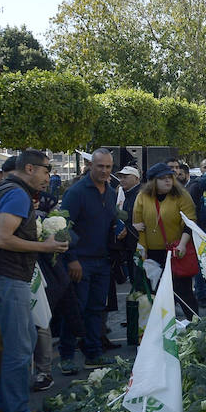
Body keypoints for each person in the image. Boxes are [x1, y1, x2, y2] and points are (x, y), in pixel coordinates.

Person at [0, 149, 66, 412]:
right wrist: (46, 247)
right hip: (8, 277)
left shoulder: (6, 189)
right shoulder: (17, 194)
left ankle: (9, 407)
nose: (48, 177)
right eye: (45, 170)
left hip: (4, 276)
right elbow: (2, 238)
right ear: (29, 168)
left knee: (24, 340)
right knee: (19, 349)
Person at [60, 150, 123, 374]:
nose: (104, 171)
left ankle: (93, 354)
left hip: (102, 261)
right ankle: (66, 357)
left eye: (108, 167)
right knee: (75, 310)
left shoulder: (111, 193)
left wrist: (119, 229)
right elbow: (62, 226)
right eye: (100, 166)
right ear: (90, 166)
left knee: (96, 309)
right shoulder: (76, 192)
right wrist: (72, 259)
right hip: (81, 262)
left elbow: (109, 222)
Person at [132, 162, 198, 315]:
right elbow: (138, 224)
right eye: (162, 178)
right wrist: (142, 251)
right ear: (153, 181)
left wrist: (182, 244)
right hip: (152, 253)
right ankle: (157, 329)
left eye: (170, 177)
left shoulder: (181, 195)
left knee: (183, 292)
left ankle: (194, 324)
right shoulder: (142, 197)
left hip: (176, 252)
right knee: (153, 293)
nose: (168, 180)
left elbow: (190, 222)